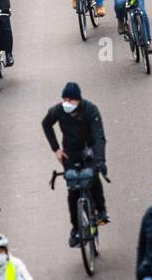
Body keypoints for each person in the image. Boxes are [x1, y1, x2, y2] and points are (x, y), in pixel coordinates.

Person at [43, 82, 110, 244]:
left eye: (70, 100)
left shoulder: (90, 110)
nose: (67, 103)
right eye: (64, 99)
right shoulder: (58, 110)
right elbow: (46, 124)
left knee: (93, 178)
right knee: (73, 191)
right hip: (70, 154)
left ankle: (101, 211)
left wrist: (100, 160)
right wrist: (56, 149)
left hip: (89, 151)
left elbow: (99, 137)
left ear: (78, 100)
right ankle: (76, 228)